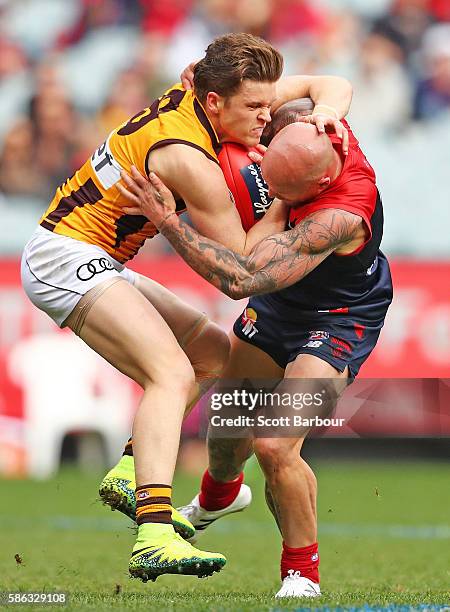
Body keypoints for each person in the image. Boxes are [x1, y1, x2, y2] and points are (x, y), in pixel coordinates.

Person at [20, 32, 353, 583]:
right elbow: (243, 270)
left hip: (90, 254)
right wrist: (290, 191)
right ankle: (153, 534)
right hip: (66, 258)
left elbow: (331, 84)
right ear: (215, 100)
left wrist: (326, 120)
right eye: (254, 108)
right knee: (170, 372)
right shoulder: (186, 159)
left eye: (268, 103)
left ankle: (131, 469)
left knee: (214, 355)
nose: (266, 116)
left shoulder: (217, 95)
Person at [114, 104, 393, 596]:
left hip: (337, 320)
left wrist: (170, 223)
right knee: (227, 435)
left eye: (283, 190)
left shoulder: (340, 217)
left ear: (321, 180)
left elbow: (242, 278)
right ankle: (217, 497)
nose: (270, 192)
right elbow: (319, 87)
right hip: (278, 306)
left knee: (273, 444)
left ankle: (301, 573)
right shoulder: (318, 125)